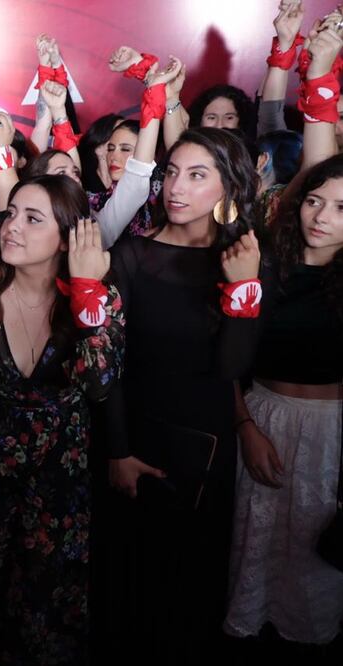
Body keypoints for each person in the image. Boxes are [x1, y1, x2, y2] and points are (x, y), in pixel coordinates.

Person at [0, 176, 124, 664]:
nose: (11, 226)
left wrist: (85, 291)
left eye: (32, 218)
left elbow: (100, 385)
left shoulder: (97, 298)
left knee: (49, 614)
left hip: (62, 483)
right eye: (11, 212)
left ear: (68, 237)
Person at [103, 128, 263, 665]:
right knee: (136, 585)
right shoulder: (131, 254)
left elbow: (232, 369)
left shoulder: (241, 256)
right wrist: (119, 450)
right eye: (172, 171)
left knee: (194, 587)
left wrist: (243, 291)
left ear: (227, 188)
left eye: (197, 175)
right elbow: (109, 366)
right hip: (139, 437)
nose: (176, 186)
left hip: (209, 446)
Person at [223, 152, 343, 650]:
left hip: (330, 432)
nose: (321, 217)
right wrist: (246, 426)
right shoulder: (265, 263)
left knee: (315, 563)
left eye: (341, 208)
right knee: (255, 549)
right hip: (262, 415)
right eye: (314, 201)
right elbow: (228, 359)